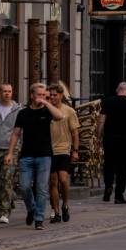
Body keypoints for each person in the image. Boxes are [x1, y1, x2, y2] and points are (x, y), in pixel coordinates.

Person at [5, 82, 65, 229]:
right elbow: (16, 134)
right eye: (39, 94)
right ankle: (31, 209)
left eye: (44, 95)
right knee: (24, 187)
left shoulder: (47, 111)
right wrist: (10, 153)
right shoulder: (23, 113)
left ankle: (39, 219)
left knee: (41, 187)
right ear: (32, 95)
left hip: (44, 156)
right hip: (27, 155)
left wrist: (46, 102)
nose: (42, 97)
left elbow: (59, 116)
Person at [97, 81, 126, 203]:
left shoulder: (107, 101)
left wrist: (98, 137)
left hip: (110, 138)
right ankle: (119, 195)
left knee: (109, 164)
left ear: (118, 90)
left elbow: (101, 121)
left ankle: (108, 187)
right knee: (123, 167)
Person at [0, 83, 21, 224]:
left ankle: (3, 212)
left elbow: (20, 131)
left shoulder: (18, 110)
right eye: (4, 91)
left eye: (9, 91)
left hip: (11, 149)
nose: (7, 93)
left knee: (6, 179)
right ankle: (10, 198)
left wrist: (18, 149)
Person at [47, 83, 80, 225]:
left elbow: (75, 132)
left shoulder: (69, 111)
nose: (53, 98)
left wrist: (75, 151)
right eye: (51, 95)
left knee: (63, 179)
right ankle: (56, 211)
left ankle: (65, 203)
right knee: (52, 181)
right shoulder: (47, 110)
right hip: (48, 150)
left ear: (61, 95)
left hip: (64, 149)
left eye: (55, 95)